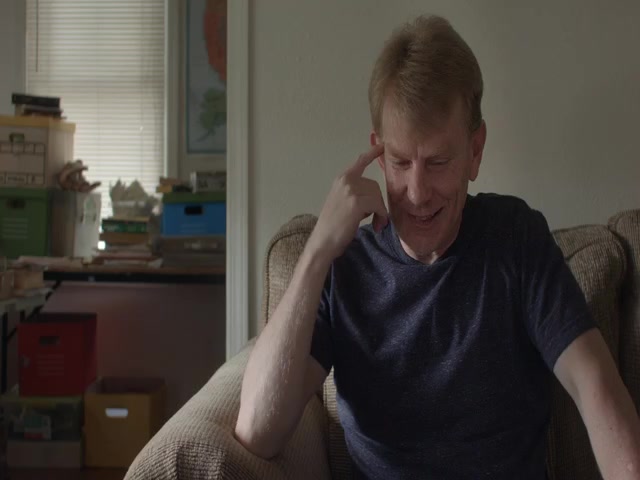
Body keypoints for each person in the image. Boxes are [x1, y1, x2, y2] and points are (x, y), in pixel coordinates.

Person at [235, 14, 640, 480]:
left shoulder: (516, 238)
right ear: (377, 152)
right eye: (400, 162)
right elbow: (257, 431)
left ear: (475, 150)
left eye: (438, 162)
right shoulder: (344, 266)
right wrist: (316, 253)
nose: (417, 192)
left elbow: (595, 387)